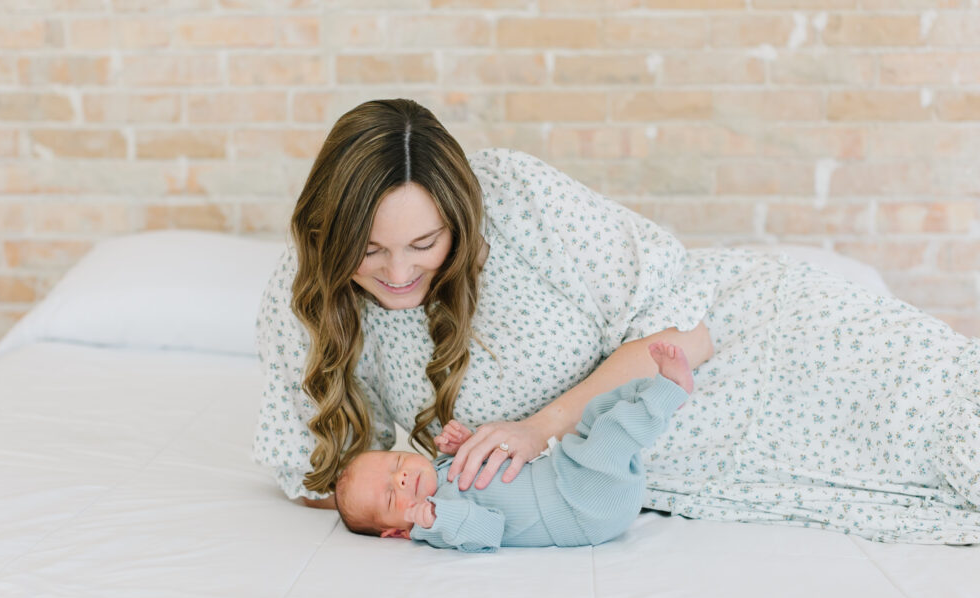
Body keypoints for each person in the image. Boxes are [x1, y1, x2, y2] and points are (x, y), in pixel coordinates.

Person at [255, 97, 980, 544]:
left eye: (424, 244)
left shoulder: (514, 197)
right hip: (692, 453)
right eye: (370, 251)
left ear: (460, 217)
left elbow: (685, 331)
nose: (399, 273)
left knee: (947, 400)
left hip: (758, 346)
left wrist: (540, 426)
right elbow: (323, 475)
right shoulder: (303, 296)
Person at [334, 342, 693, 552]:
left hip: (566, 473)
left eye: (396, 461)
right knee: (610, 437)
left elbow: (485, 472)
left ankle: (651, 392)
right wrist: (436, 519)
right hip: (580, 509)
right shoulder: (437, 521)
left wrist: (463, 445)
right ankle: (668, 392)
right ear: (397, 531)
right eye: (389, 496)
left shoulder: (441, 473)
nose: (400, 478)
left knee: (597, 414)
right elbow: (489, 530)